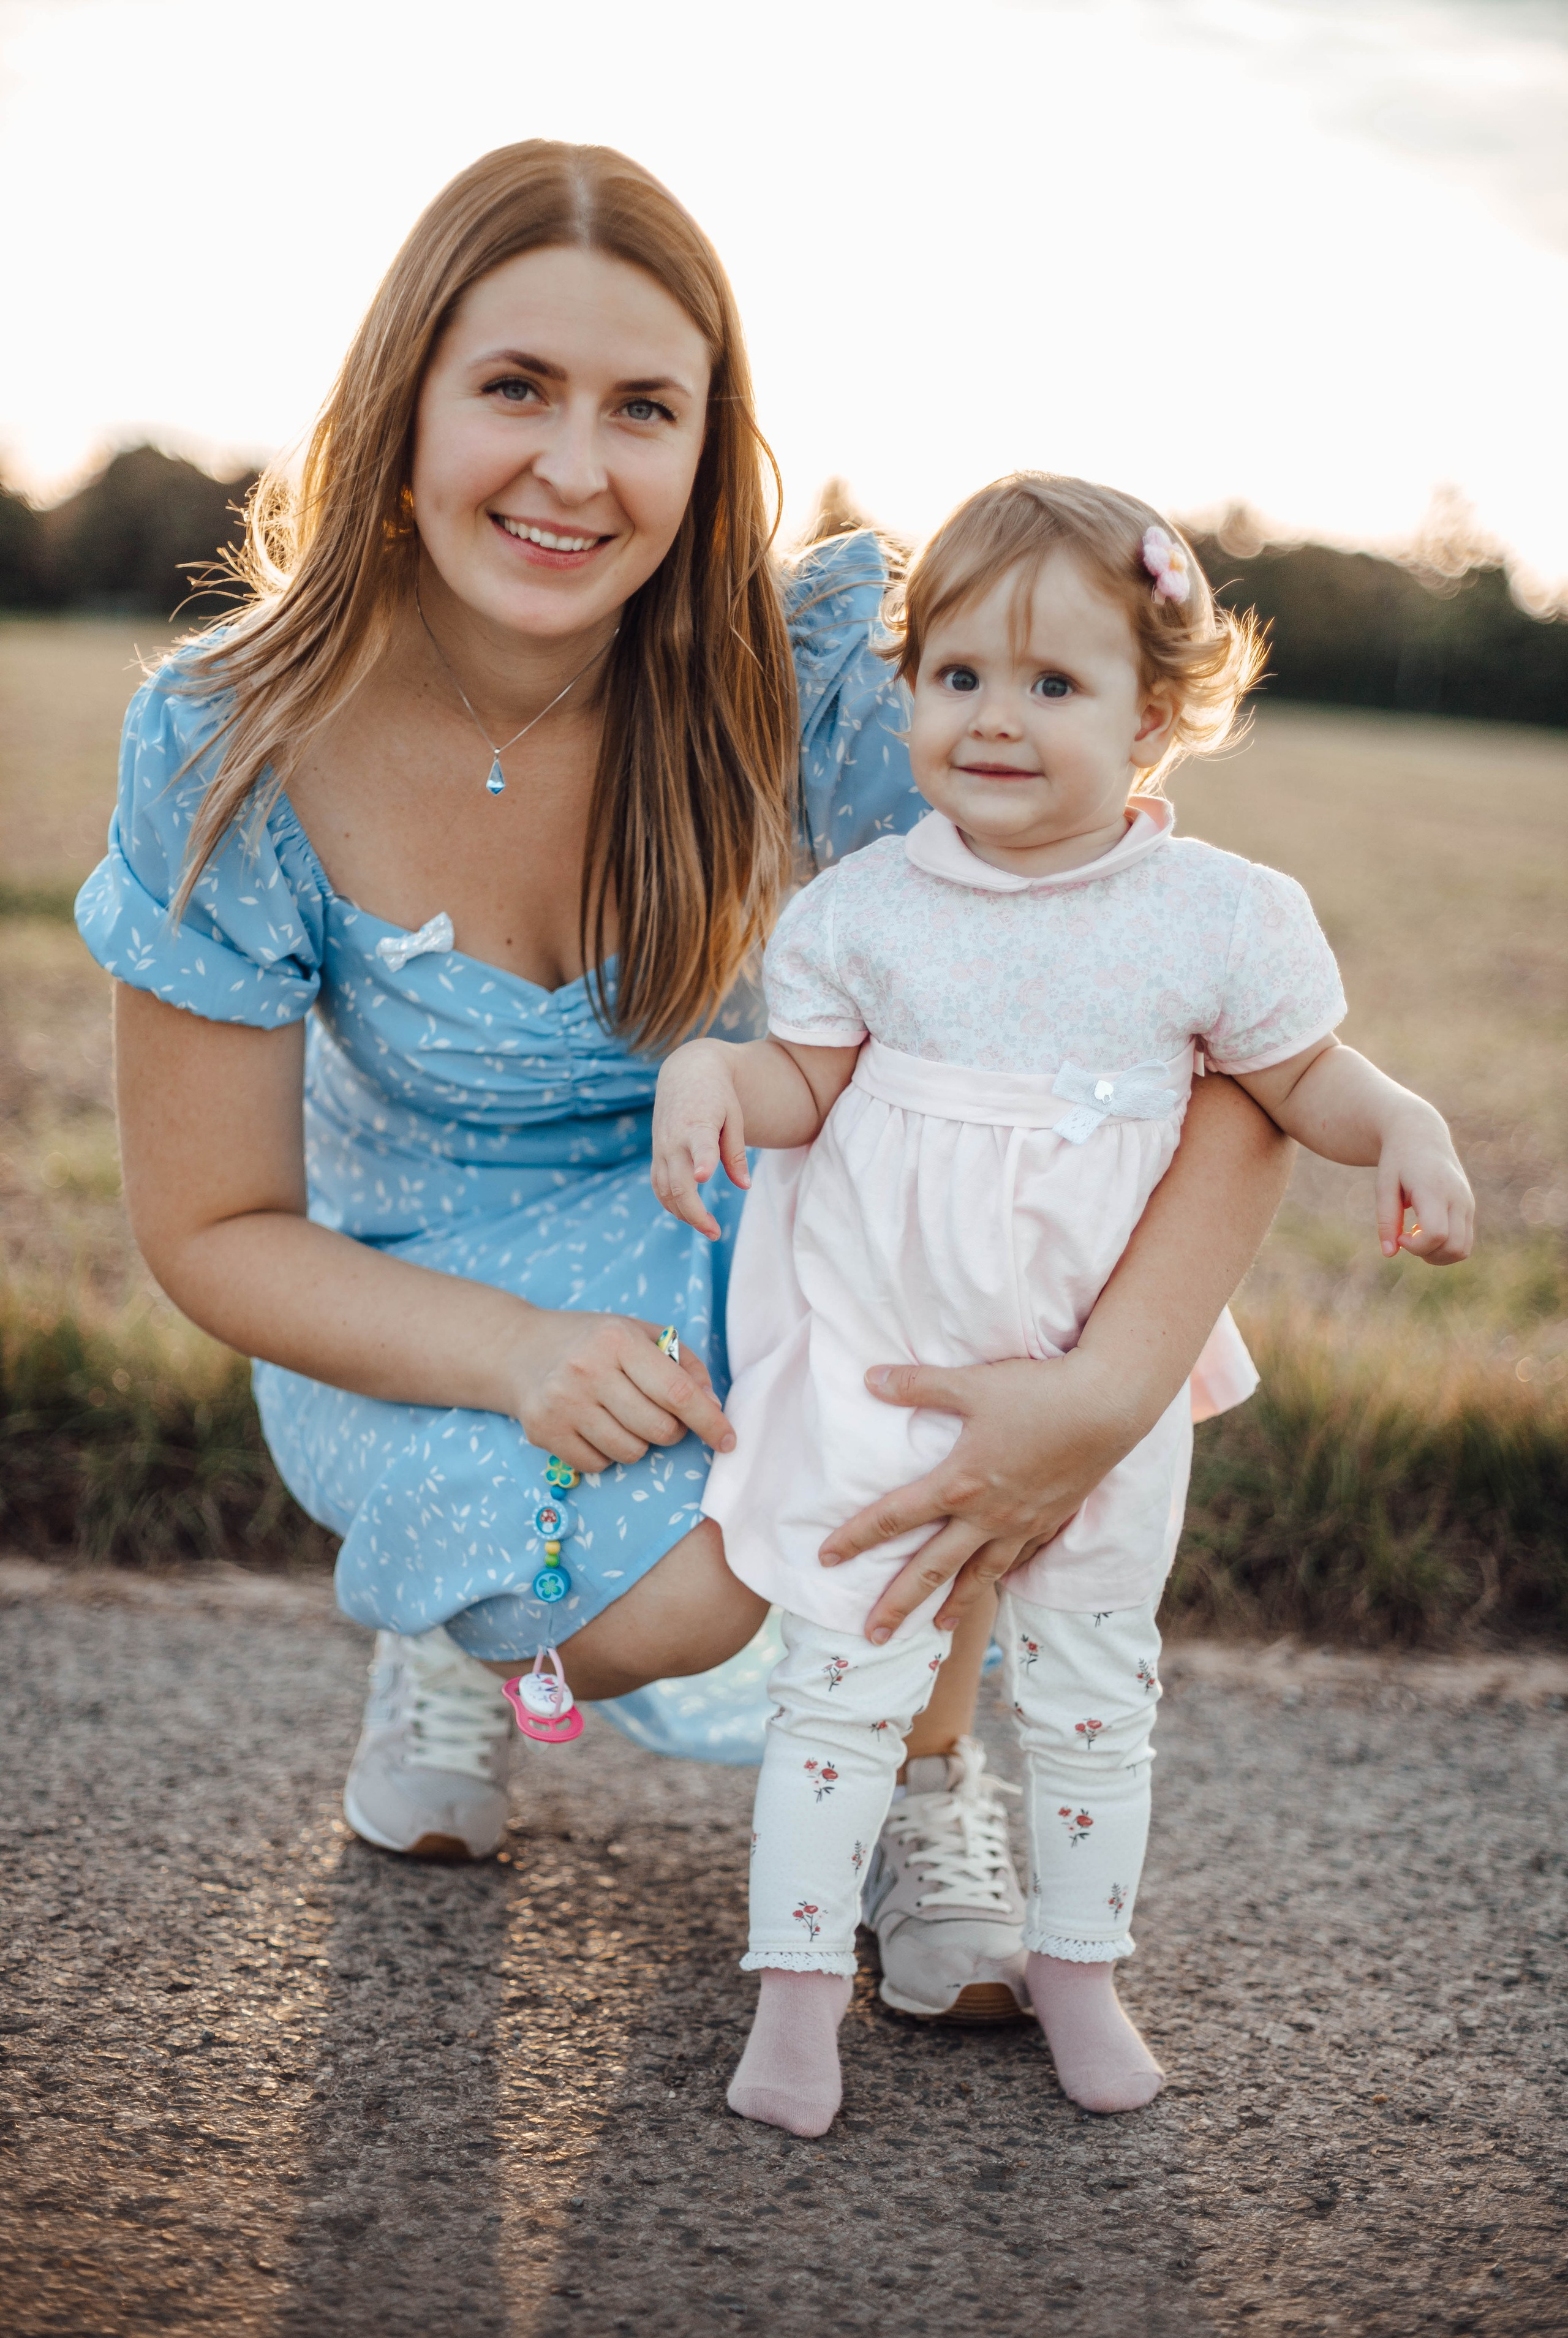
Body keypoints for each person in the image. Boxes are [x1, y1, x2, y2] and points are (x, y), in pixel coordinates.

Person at [77, 144, 1292, 2027]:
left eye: (641, 407)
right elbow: (210, 1226)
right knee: (672, 1601)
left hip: (745, 1205)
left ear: (710, 447)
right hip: (414, 1279)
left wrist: (1099, 1394)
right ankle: (447, 1637)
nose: (577, 468)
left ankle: (919, 1776)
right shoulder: (236, 739)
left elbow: (1200, 1051)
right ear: (400, 405)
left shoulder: (808, 677)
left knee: (978, 1287)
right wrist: (509, 1357)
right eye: (515, 389)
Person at [652, 472, 1474, 2136]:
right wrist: (718, 1072)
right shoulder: (868, 907)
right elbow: (804, 1080)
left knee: (1097, 1683)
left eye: (1053, 683)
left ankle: (1081, 1965)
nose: (995, 720)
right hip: (895, 1369)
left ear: (1156, 712)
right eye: (956, 677)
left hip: (1111, 1385)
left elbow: (1299, 1074)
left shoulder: (1218, 919)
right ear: (907, 693)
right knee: (845, 1687)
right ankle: (797, 1995)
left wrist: (1401, 1122)